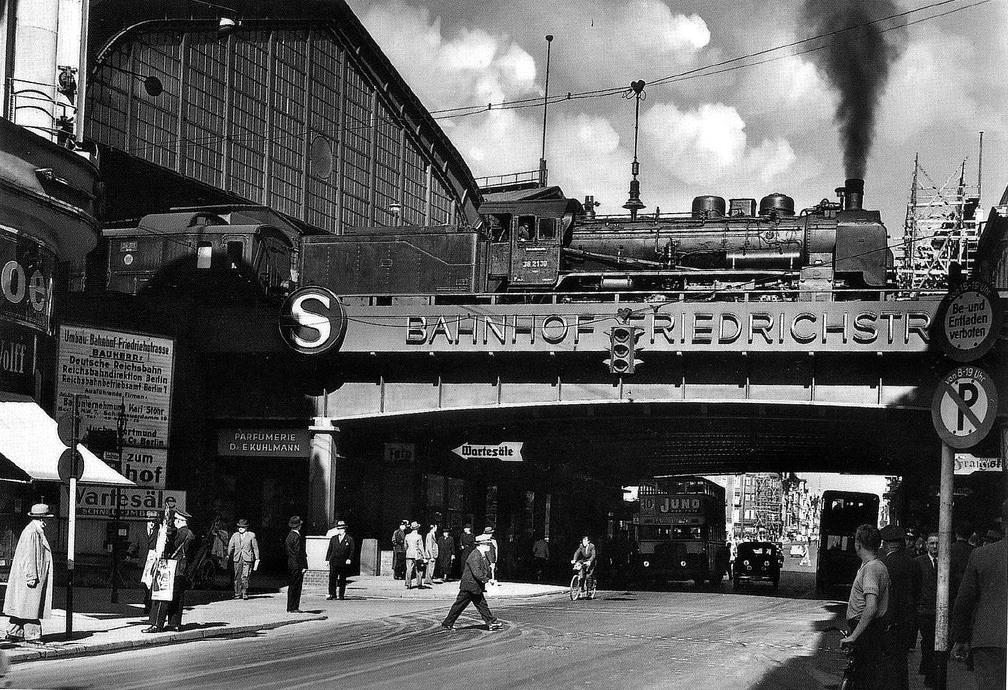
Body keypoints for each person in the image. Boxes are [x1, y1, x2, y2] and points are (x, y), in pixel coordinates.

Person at [951, 498, 1007, 690]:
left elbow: (964, 600)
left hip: (989, 640)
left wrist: (960, 638)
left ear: (1003, 524)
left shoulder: (981, 555)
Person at [840, 524, 890, 690]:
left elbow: (871, 607)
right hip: (868, 630)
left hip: (866, 632)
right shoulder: (875, 566)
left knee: (863, 680)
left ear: (858, 544)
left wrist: (854, 636)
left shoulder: (871, 569)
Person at [3, 504, 54, 644]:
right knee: (31, 606)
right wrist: (31, 576)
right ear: (42, 519)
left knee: (23, 605)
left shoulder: (34, 531)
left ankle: (14, 631)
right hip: (30, 577)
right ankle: (32, 635)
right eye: (46, 518)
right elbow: (28, 556)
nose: (47, 522)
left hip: (29, 576)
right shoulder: (32, 532)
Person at [880, 524, 921, 690]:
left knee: (885, 666)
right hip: (907, 622)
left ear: (886, 544)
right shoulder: (914, 564)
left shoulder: (882, 565)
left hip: (887, 621)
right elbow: (917, 593)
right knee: (901, 663)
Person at [144, 509, 195, 633]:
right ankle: (174, 623)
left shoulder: (180, 533)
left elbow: (169, 545)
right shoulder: (190, 534)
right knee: (177, 597)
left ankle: (157, 624)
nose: (174, 522)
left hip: (170, 568)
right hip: (181, 569)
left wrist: (164, 531)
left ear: (179, 520)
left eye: (176, 520)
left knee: (162, 595)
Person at [440, 534, 502, 632]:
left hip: (475, 586)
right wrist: (487, 580)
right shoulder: (475, 555)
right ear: (481, 545)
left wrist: (489, 577)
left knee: (481, 605)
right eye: (487, 544)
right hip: (469, 586)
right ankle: (447, 623)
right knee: (459, 605)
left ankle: (491, 622)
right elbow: (477, 572)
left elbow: (484, 569)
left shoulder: (482, 555)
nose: (489, 547)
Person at [916, 532, 940, 687]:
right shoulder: (919, 562)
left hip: (940, 610)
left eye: (937, 543)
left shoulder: (945, 562)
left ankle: (931, 671)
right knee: (928, 641)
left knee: (936, 643)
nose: (935, 546)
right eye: (932, 543)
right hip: (924, 610)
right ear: (926, 545)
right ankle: (928, 670)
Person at [227, 518, 260, 600]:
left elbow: (255, 548)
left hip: (247, 558)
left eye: (243, 527)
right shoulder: (235, 535)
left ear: (246, 528)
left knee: (245, 576)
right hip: (237, 558)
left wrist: (257, 558)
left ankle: (244, 592)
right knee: (237, 576)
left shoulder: (251, 535)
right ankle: (237, 593)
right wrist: (228, 554)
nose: (241, 528)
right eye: (239, 527)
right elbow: (231, 546)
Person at [285, 515, 308, 613]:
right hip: (297, 564)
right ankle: (294, 607)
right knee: (297, 586)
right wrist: (303, 566)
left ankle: (290, 607)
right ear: (299, 526)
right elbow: (299, 553)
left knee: (292, 586)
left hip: (291, 563)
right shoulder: (297, 537)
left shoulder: (289, 536)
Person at [326, 520, 354, 600]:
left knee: (342, 579)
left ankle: (341, 595)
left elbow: (352, 550)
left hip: (343, 561)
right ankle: (332, 594)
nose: (340, 530)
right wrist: (327, 560)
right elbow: (330, 549)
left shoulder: (349, 539)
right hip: (334, 561)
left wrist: (349, 558)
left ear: (345, 529)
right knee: (332, 578)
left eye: (341, 529)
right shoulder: (333, 538)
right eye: (338, 529)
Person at [140, 510, 160, 615]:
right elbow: (135, 543)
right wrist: (130, 553)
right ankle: (147, 600)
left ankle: (149, 605)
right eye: (150, 521)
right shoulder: (140, 531)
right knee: (145, 585)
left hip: (153, 562)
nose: (152, 523)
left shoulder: (159, 532)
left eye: (154, 521)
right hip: (143, 561)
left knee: (151, 584)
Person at [950, 520, 974, 597]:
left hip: (951, 590)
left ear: (956, 534)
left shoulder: (948, 550)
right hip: (968, 589)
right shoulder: (974, 551)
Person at [404, 521, 426, 589]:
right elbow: (421, 547)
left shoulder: (407, 536)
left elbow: (405, 546)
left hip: (409, 554)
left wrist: (408, 550)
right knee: (419, 569)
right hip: (417, 554)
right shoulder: (419, 536)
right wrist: (424, 556)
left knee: (409, 569)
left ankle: (408, 584)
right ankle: (419, 584)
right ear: (417, 528)